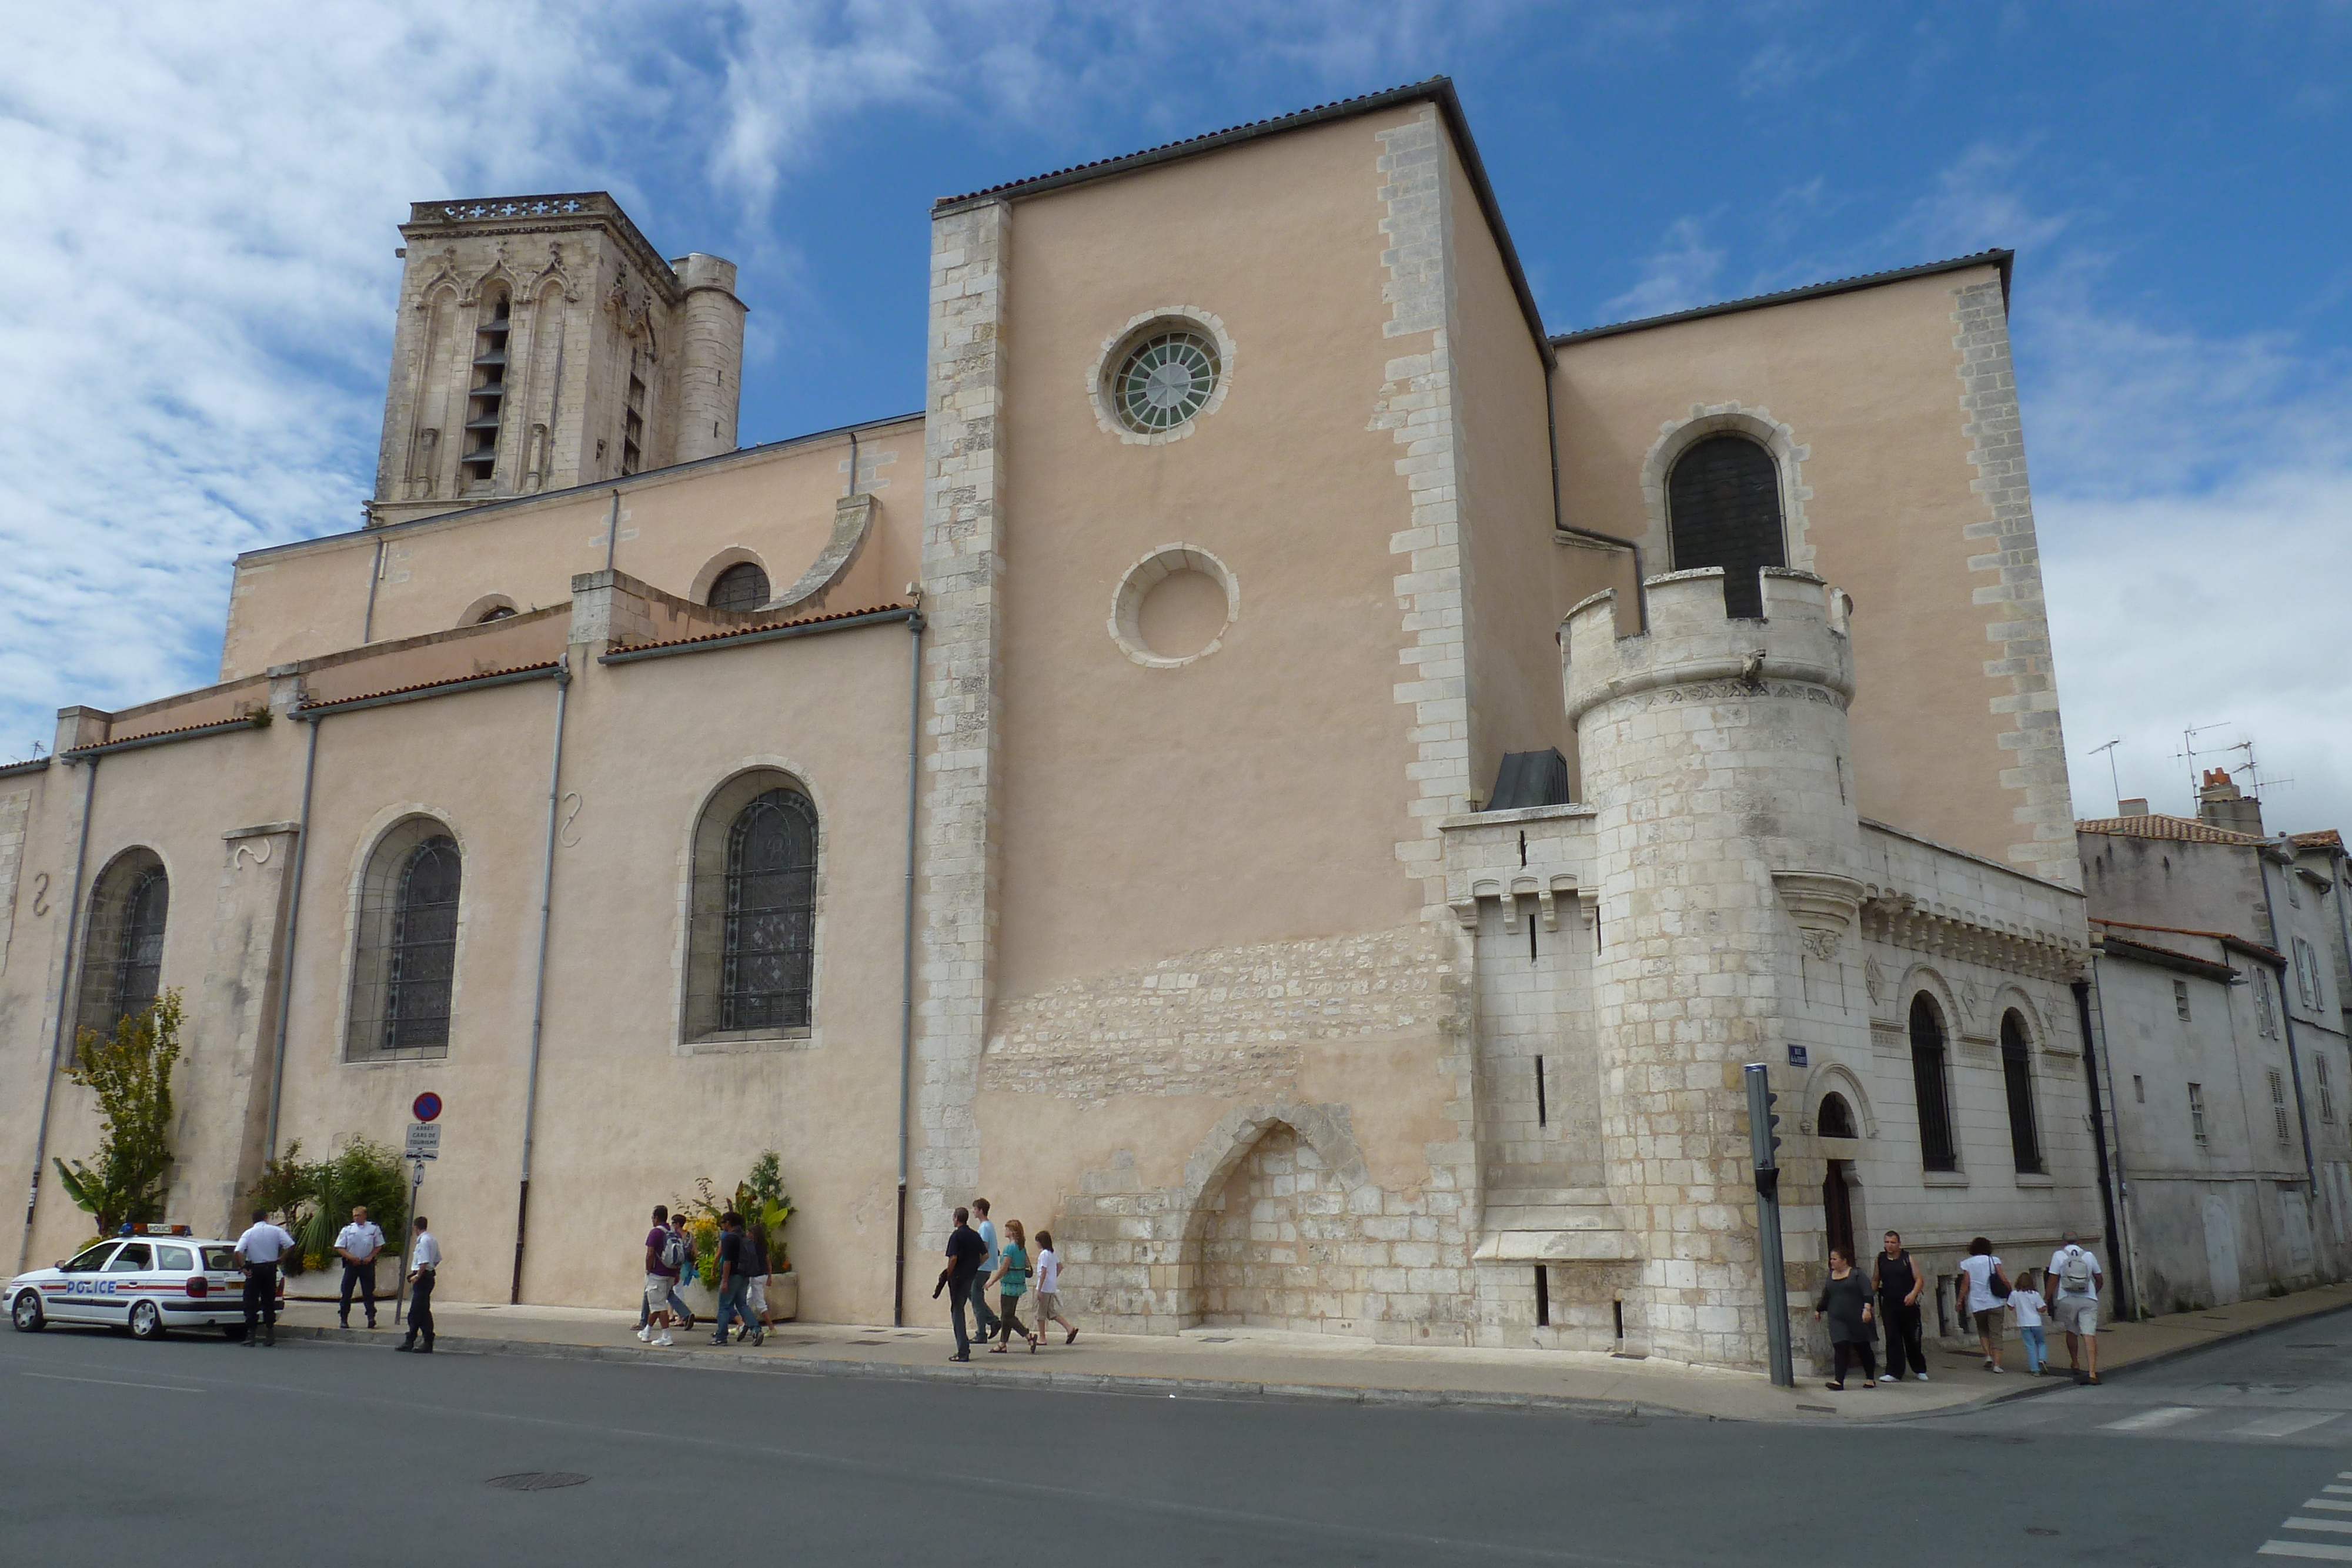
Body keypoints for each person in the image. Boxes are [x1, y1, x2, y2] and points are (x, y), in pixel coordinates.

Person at [1812, 1246, 1877, 1390]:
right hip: (1837, 1318)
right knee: (1840, 1346)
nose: (1832, 1262)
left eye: (1835, 1259)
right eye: (1831, 1259)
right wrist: (1819, 1309)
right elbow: (1827, 1295)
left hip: (1857, 1318)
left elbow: (1868, 1292)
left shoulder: (1857, 1274)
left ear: (1844, 1261)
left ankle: (1870, 1378)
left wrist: (1867, 1309)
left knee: (1862, 1347)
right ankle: (1839, 1381)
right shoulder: (1831, 1276)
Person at [2047, 1229, 2104, 1384]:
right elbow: (2099, 1279)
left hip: (2067, 1299)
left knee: (2071, 1331)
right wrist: (2094, 1293)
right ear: (2079, 1243)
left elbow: (2053, 1279)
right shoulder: (2089, 1256)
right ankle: (2092, 1372)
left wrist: (2046, 1299)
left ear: (2064, 1243)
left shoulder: (2058, 1256)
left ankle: (2075, 1362)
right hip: (2088, 1299)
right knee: (2089, 1334)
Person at [234, 1207, 296, 1348]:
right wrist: (282, 1258)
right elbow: (291, 1245)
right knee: (269, 1301)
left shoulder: (248, 1233)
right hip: (270, 1269)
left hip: (255, 1269)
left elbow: (238, 1252)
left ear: (253, 1220)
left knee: (251, 1302)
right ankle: (269, 1333)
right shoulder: (276, 1231)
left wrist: (243, 1267)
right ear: (266, 1217)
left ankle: (252, 1335)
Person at [1871, 1229, 1927, 1383]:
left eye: (1893, 1242)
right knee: (1892, 1338)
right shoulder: (1880, 1259)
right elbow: (1876, 1279)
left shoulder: (1907, 1258)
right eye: (1887, 1242)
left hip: (1908, 1304)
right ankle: (1894, 1372)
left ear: (1899, 1244)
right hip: (1889, 1304)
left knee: (1913, 1338)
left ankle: (1919, 1369)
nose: (1889, 1245)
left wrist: (1913, 1294)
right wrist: (1869, 1298)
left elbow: (1919, 1279)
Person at [940, 1206, 987, 1361]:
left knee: (957, 1311)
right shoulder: (975, 1235)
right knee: (961, 1309)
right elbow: (985, 1255)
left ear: (956, 1218)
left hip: (958, 1278)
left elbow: (953, 1258)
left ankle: (963, 1351)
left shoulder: (956, 1236)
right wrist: (974, 1267)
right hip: (969, 1277)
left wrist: (948, 1274)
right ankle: (964, 1348)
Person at [1957, 1236, 2008, 1372]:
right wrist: (2010, 1292)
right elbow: (2003, 1278)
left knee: (1983, 1330)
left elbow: (1965, 1284)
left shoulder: (1967, 1263)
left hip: (1977, 1303)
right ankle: (1997, 1365)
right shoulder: (1994, 1260)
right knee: (1996, 1333)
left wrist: (1960, 1301)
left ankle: (1988, 1356)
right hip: (1995, 1301)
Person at [711, 1212, 762, 1346]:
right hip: (744, 1275)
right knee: (742, 1304)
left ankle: (721, 1336)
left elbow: (727, 1261)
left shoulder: (729, 1238)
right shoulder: (744, 1237)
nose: (722, 1225)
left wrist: (725, 1281)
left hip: (732, 1275)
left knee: (724, 1306)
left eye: (723, 1222)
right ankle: (756, 1329)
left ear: (728, 1223)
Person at [334, 1204, 386, 1330]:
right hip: (352, 1265)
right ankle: (344, 1318)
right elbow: (339, 1247)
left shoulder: (373, 1229)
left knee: (368, 1292)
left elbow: (379, 1245)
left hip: (367, 1264)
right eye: (354, 1216)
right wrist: (351, 1257)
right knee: (346, 1292)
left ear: (365, 1215)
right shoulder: (347, 1230)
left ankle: (371, 1317)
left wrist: (370, 1257)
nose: (356, 1218)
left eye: (358, 1215)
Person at [987, 1217, 1035, 1353]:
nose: (1005, 1231)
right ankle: (1002, 1343)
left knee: (1007, 1316)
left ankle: (1028, 1335)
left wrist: (991, 1281)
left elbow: (1003, 1269)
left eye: (1007, 1229)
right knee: (1007, 1314)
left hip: (1008, 1285)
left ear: (1012, 1232)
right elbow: (1028, 1267)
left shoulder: (1010, 1248)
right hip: (1019, 1285)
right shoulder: (1021, 1248)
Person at [395, 1216, 439, 1352]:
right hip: (428, 1275)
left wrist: (418, 1275)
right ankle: (413, 1340)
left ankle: (424, 1341)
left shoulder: (424, 1241)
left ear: (416, 1227)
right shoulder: (432, 1239)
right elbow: (437, 1259)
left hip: (422, 1277)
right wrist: (429, 1270)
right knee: (421, 1311)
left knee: (417, 1312)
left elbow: (424, 1262)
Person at [639, 1203, 679, 1347]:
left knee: (659, 1306)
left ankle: (666, 1336)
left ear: (656, 1218)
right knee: (656, 1304)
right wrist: (677, 1274)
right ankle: (647, 1331)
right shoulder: (673, 1232)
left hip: (657, 1274)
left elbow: (650, 1254)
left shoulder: (655, 1233)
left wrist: (648, 1270)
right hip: (670, 1274)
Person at [1033, 1229, 1076, 1346]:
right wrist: (1053, 1277)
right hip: (1051, 1287)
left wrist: (1039, 1288)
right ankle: (1069, 1328)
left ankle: (1042, 1337)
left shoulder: (1044, 1254)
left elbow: (1043, 1271)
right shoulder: (1052, 1253)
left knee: (1040, 1314)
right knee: (1051, 1312)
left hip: (1045, 1288)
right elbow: (1060, 1266)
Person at [968, 1198, 1002, 1342]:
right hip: (987, 1267)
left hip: (982, 1268)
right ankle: (993, 1321)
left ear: (981, 1211)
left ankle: (982, 1333)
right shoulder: (990, 1226)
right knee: (975, 1297)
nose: (973, 1211)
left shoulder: (984, 1227)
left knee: (976, 1299)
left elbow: (984, 1248)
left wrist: (975, 1264)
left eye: (975, 1209)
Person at [2009, 1268, 2049, 1375]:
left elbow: (2010, 1307)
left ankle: (2035, 1369)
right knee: (2041, 1343)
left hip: (2024, 1324)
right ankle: (2042, 1359)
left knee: (2030, 1346)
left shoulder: (2015, 1294)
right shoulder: (2035, 1294)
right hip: (2036, 1322)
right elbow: (2042, 1308)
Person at [746, 1218, 773, 1331]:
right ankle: (742, 1325)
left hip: (755, 1276)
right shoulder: (763, 1245)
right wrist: (770, 1275)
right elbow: (768, 1261)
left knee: (760, 1304)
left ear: (752, 1234)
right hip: (763, 1275)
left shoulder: (752, 1246)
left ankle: (771, 1328)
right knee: (748, 1301)